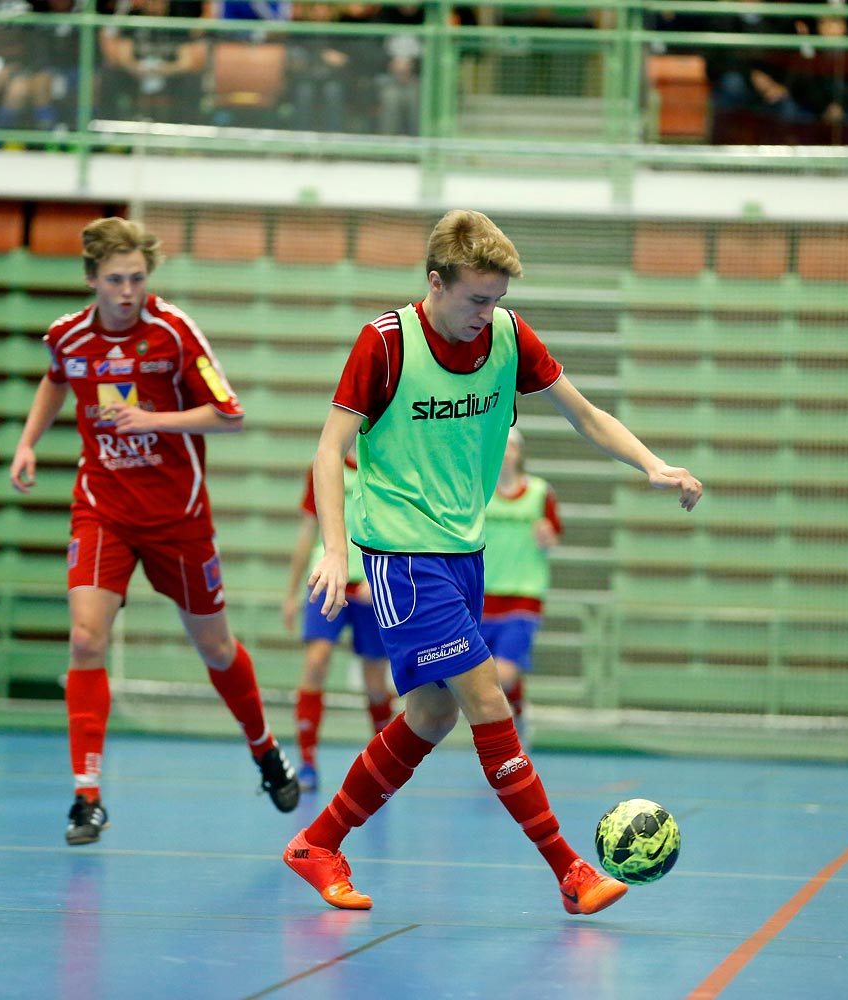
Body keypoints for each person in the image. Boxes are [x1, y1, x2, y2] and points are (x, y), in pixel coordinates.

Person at [282, 209, 702, 915]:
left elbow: (584, 413)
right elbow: (329, 450)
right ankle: (570, 870)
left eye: (497, 298)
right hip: (403, 556)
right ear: (435, 283)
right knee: (486, 700)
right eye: (476, 298)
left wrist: (652, 465)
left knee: (429, 717)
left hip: (462, 554)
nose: (488, 312)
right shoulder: (385, 343)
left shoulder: (506, 338)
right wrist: (333, 548)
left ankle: (317, 844)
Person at [8, 216, 299, 846]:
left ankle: (265, 748)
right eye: (114, 279)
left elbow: (229, 414)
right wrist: (28, 443)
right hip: (103, 508)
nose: (126, 292)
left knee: (216, 648)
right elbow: (57, 379)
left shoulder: (172, 332)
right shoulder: (67, 336)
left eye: (137, 279)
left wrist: (150, 419)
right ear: (92, 279)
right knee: (86, 639)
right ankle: (87, 797)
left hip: (178, 517)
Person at [281, 450, 395, 793]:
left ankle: (386, 764)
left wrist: (387, 582)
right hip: (327, 577)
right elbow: (307, 532)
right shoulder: (322, 466)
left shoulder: (388, 465)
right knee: (316, 661)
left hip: (372, 583)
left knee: (375, 678)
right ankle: (307, 762)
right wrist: (290, 593)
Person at [478, 427, 559, 748]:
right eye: (501, 445)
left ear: (520, 453)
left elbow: (553, 538)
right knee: (482, 679)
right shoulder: (478, 492)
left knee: (503, 674)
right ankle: (519, 709)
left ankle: (504, 740)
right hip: (481, 598)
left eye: (511, 446)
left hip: (523, 599)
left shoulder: (540, 493)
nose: (506, 452)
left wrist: (546, 536)